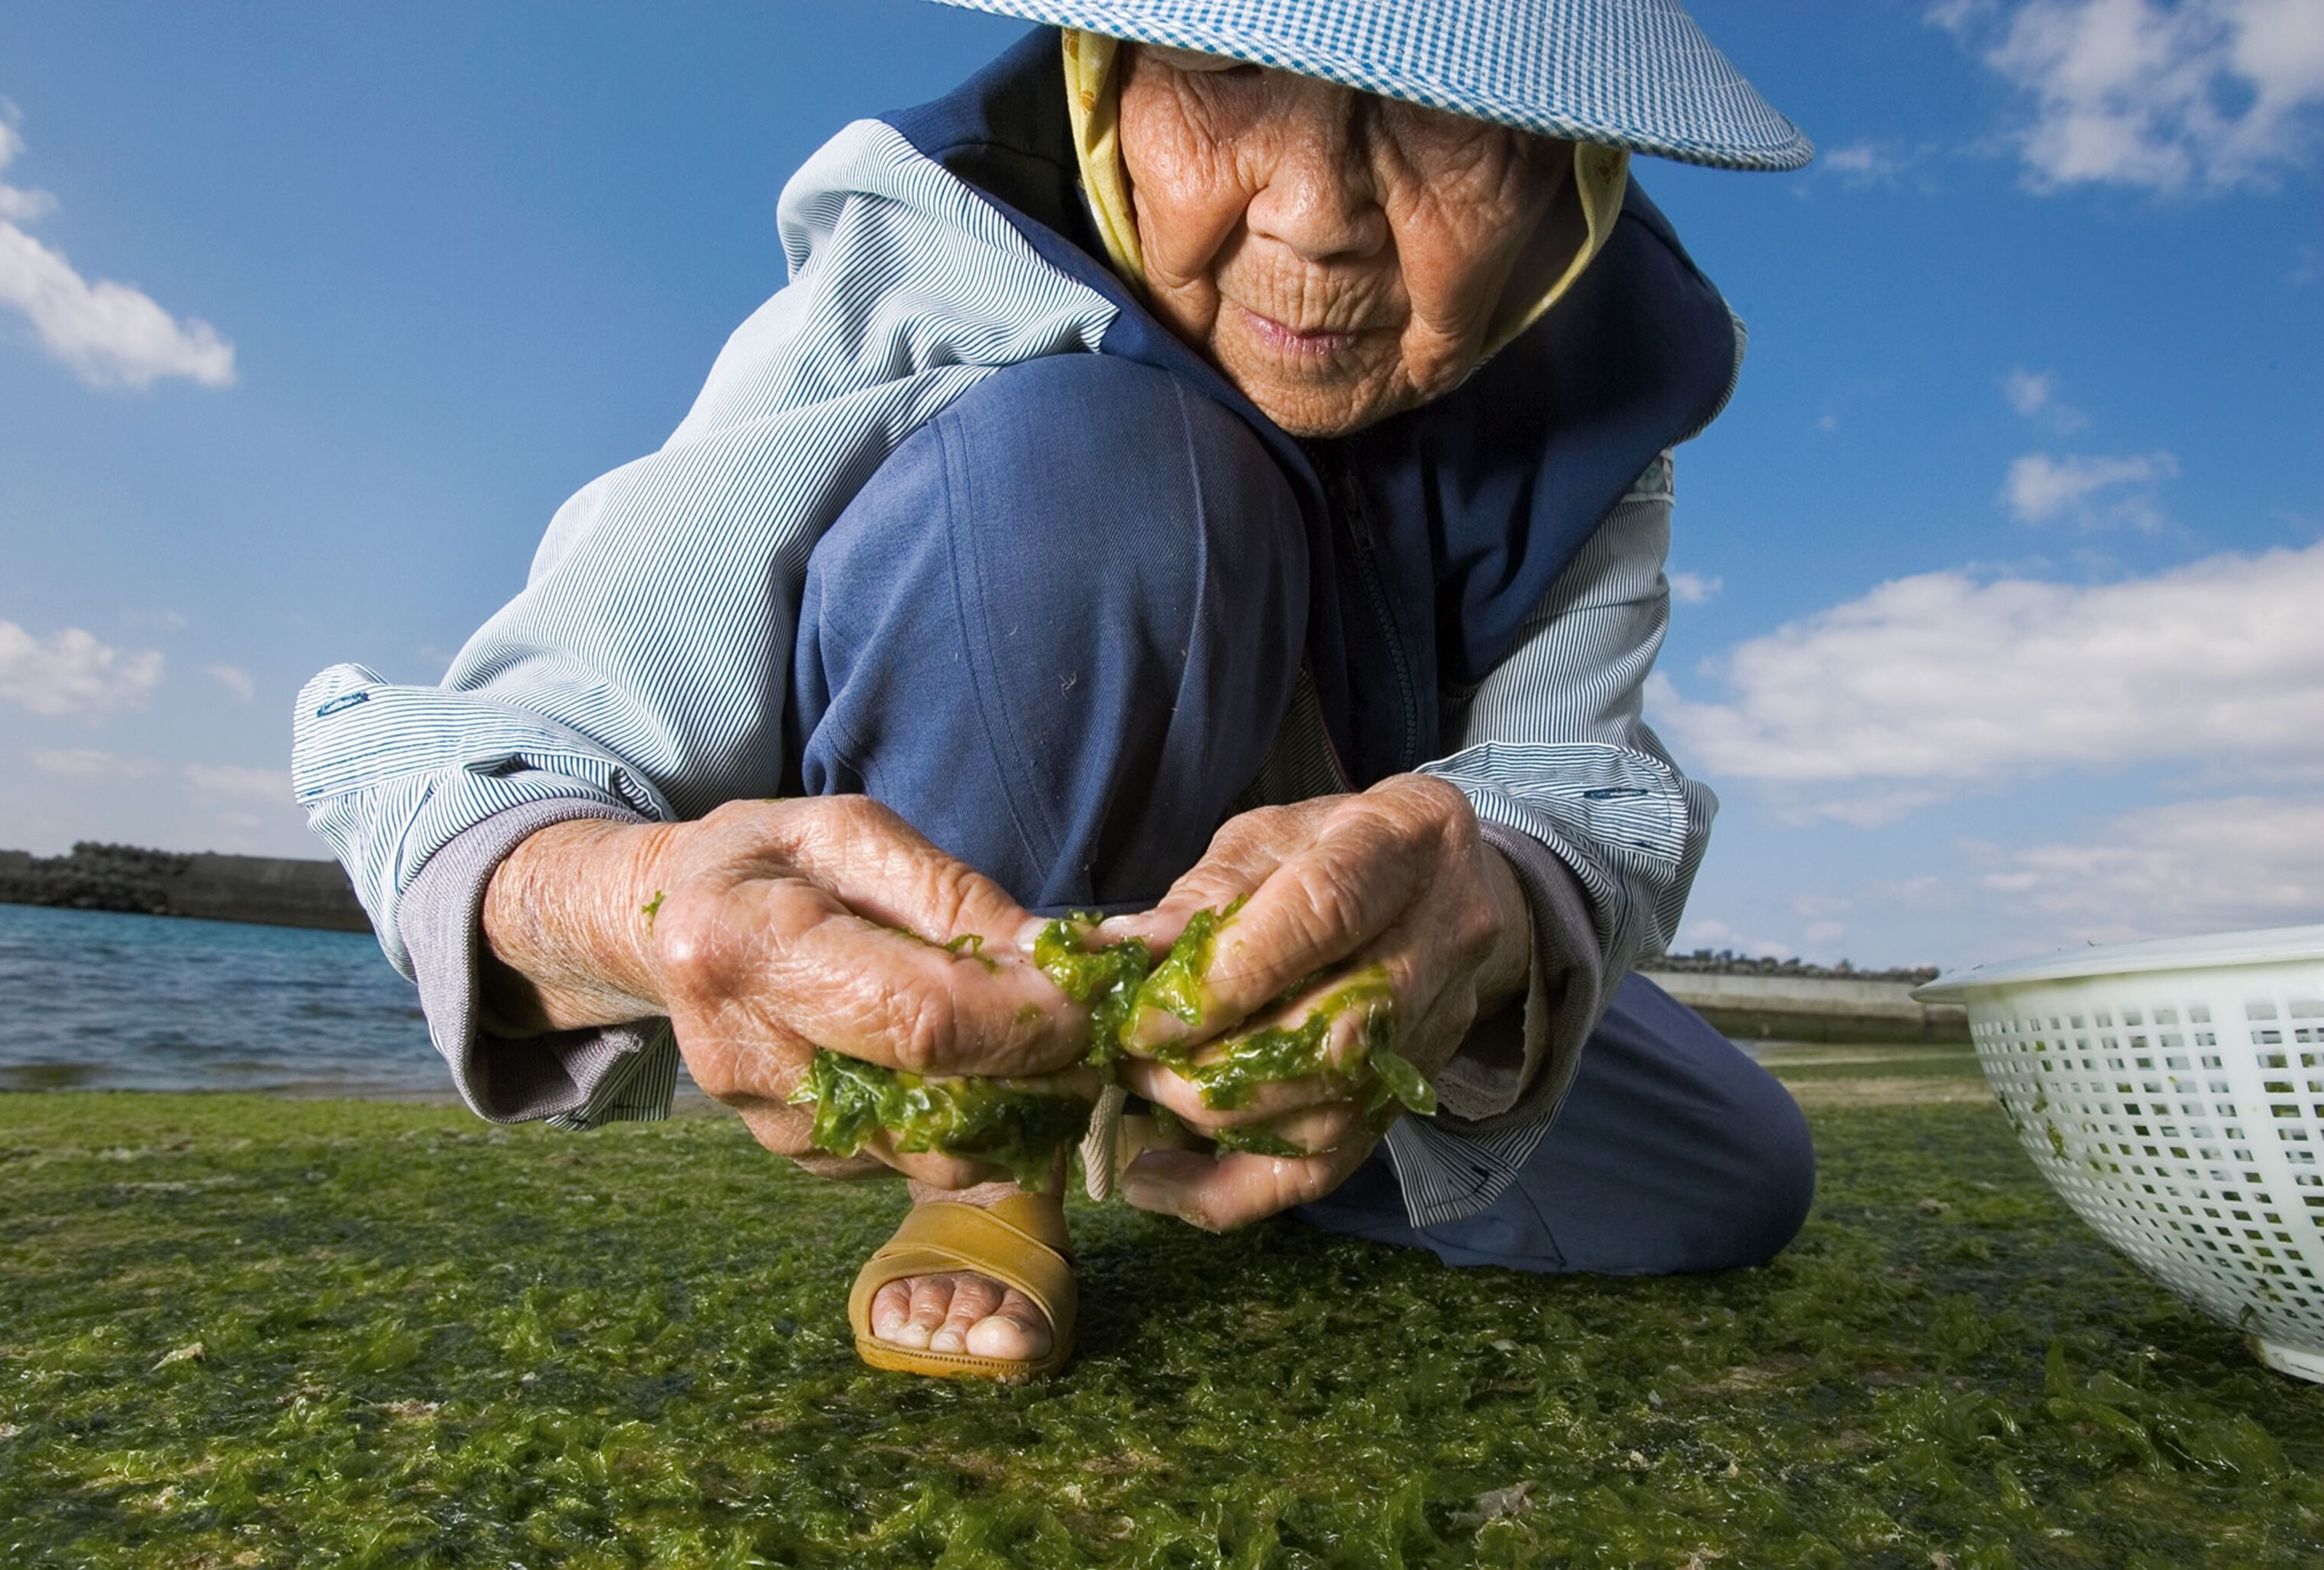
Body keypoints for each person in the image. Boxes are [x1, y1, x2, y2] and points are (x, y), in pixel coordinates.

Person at [293, 0, 1819, 1383]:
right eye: (1227, 72)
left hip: (1322, 973)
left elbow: (1573, 778)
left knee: (1735, 1173)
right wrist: (635, 899)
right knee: (1105, 475)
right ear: (1107, 71)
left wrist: (1482, 900)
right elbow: (476, 768)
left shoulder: (1603, 380)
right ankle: (991, 1164)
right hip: (991, 898)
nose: (1315, 216)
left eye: (1446, 120)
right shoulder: (935, 254)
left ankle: (1232, 1113)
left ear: (1575, 175)